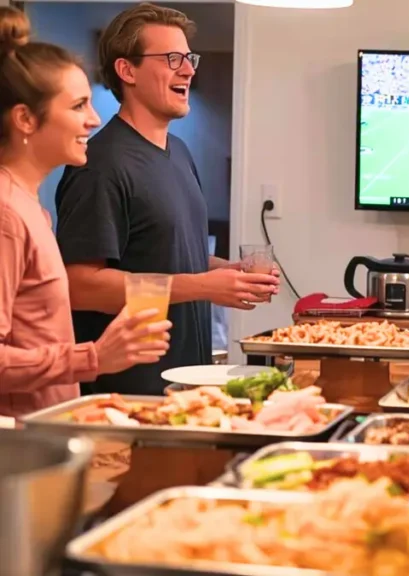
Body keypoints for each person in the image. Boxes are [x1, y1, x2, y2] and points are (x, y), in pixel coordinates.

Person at [53, 3, 278, 397]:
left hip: (185, 382)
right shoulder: (100, 164)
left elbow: (163, 251)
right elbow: (81, 285)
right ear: (127, 71)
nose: (189, 69)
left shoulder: (179, 151)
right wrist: (202, 287)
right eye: (172, 58)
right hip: (127, 394)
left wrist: (228, 273)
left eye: (189, 58)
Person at [0, 6, 170, 416]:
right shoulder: (5, 215)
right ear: (25, 119)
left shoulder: (28, 205)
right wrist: (93, 358)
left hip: (47, 433)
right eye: (78, 106)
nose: (93, 120)